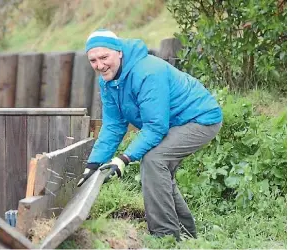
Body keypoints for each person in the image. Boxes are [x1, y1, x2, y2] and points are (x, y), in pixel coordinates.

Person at [77, 28, 222, 241]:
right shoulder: (107, 81)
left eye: (104, 57)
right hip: (172, 122)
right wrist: (94, 163)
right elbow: (114, 125)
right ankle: (184, 234)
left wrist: (123, 159)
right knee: (159, 169)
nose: (99, 65)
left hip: (200, 118)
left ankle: (165, 237)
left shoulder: (147, 72)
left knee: (154, 160)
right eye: (93, 60)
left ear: (119, 52)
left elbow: (155, 127)